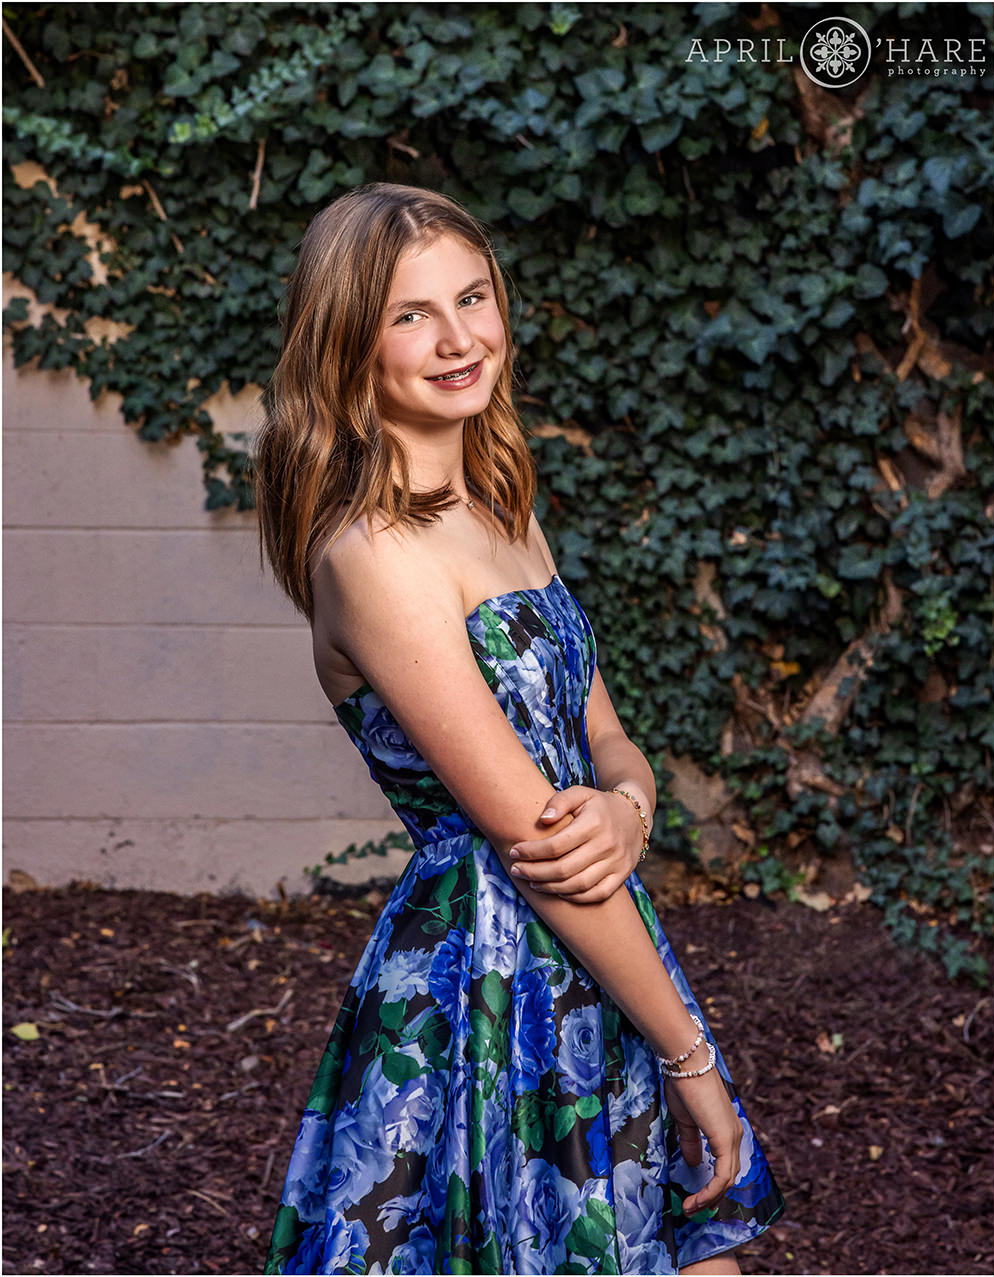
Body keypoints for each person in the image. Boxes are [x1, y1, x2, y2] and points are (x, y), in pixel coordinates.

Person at [254, 182, 785, 1276]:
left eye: (472, 297)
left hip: (598, 942)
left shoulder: (502, 506)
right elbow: (537, 842)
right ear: (349, 345)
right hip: (487, 989)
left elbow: (610, 742)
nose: (459, 340)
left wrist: (629, 808)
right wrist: (691, 1055)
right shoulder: (374, 555)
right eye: (411, 315)